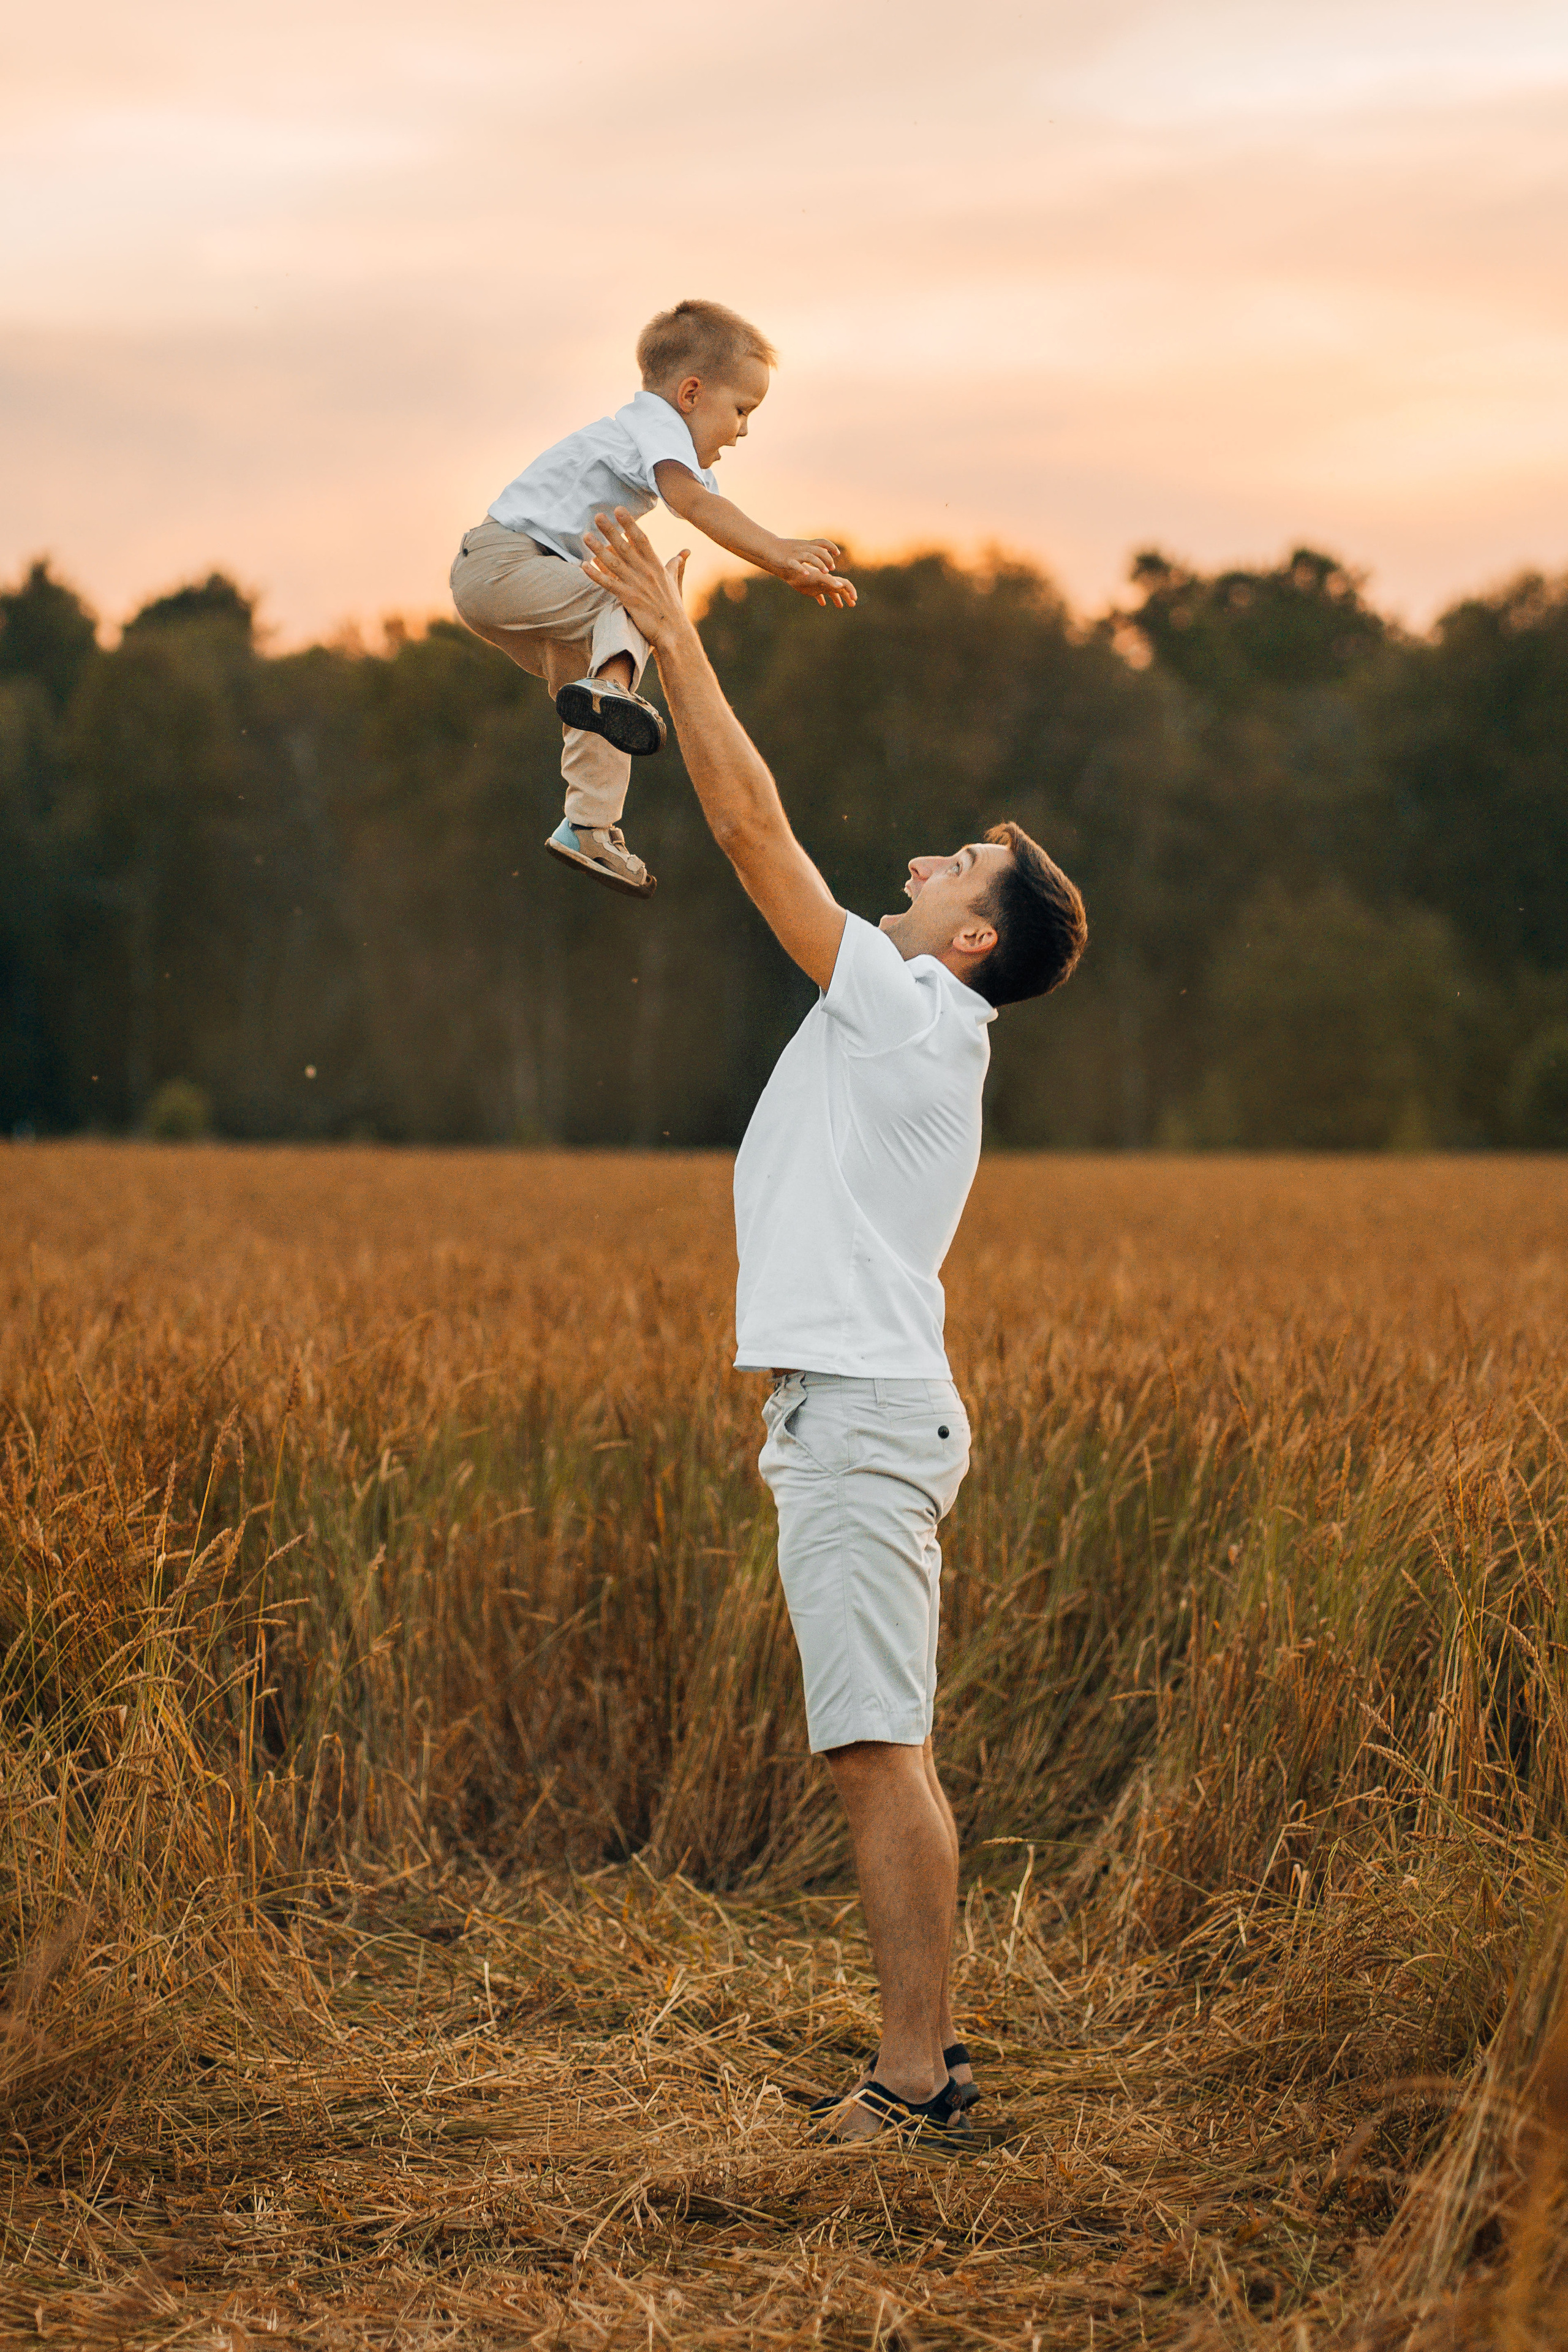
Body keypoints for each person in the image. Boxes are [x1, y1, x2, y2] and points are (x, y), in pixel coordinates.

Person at [580, 507, 1088, 2140]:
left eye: (957, 865)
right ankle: (919, 2067)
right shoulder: (902, 1015)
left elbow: (750, 832)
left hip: (865, 1417)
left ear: (975, 938)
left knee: (880, 1752)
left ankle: (915, 2080)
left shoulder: (916, 1011)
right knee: (880, 1745)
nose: (925, 862)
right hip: (846, 1414)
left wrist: (677, 633)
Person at [448, 298, 855, 901]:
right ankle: (608, 688)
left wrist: (781, 569)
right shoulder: (657, 423)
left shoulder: (658, 438)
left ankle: (589, 824)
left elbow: (707, 505)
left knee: (594, 698)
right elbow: (695, 507)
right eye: (741, 410)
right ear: (691, 392)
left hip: (518, 578)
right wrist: (777, 553)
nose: (744, 431)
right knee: (645, 599)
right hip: (502, 563)